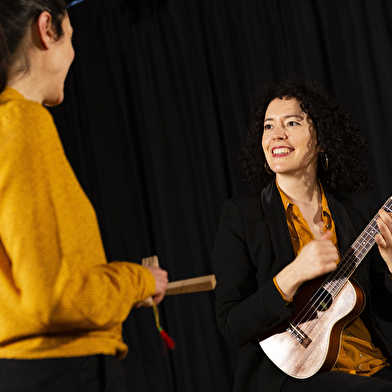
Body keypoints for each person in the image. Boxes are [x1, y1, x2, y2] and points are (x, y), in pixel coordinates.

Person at [0, 1, 168, 391]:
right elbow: (57, 297)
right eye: (71, 37)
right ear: (47, 29)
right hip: (61, 371)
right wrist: (139, 280)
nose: (74, 52)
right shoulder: (23, 125)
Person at [212, 79, 392, 392]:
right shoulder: (241, 217)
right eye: (269, 126)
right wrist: (292, 274)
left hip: (370, 365)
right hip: (294, 378)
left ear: (321, 138)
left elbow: (384, 309)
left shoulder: (354, 208)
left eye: (292, 122)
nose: (276, 135)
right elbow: (232, 325)